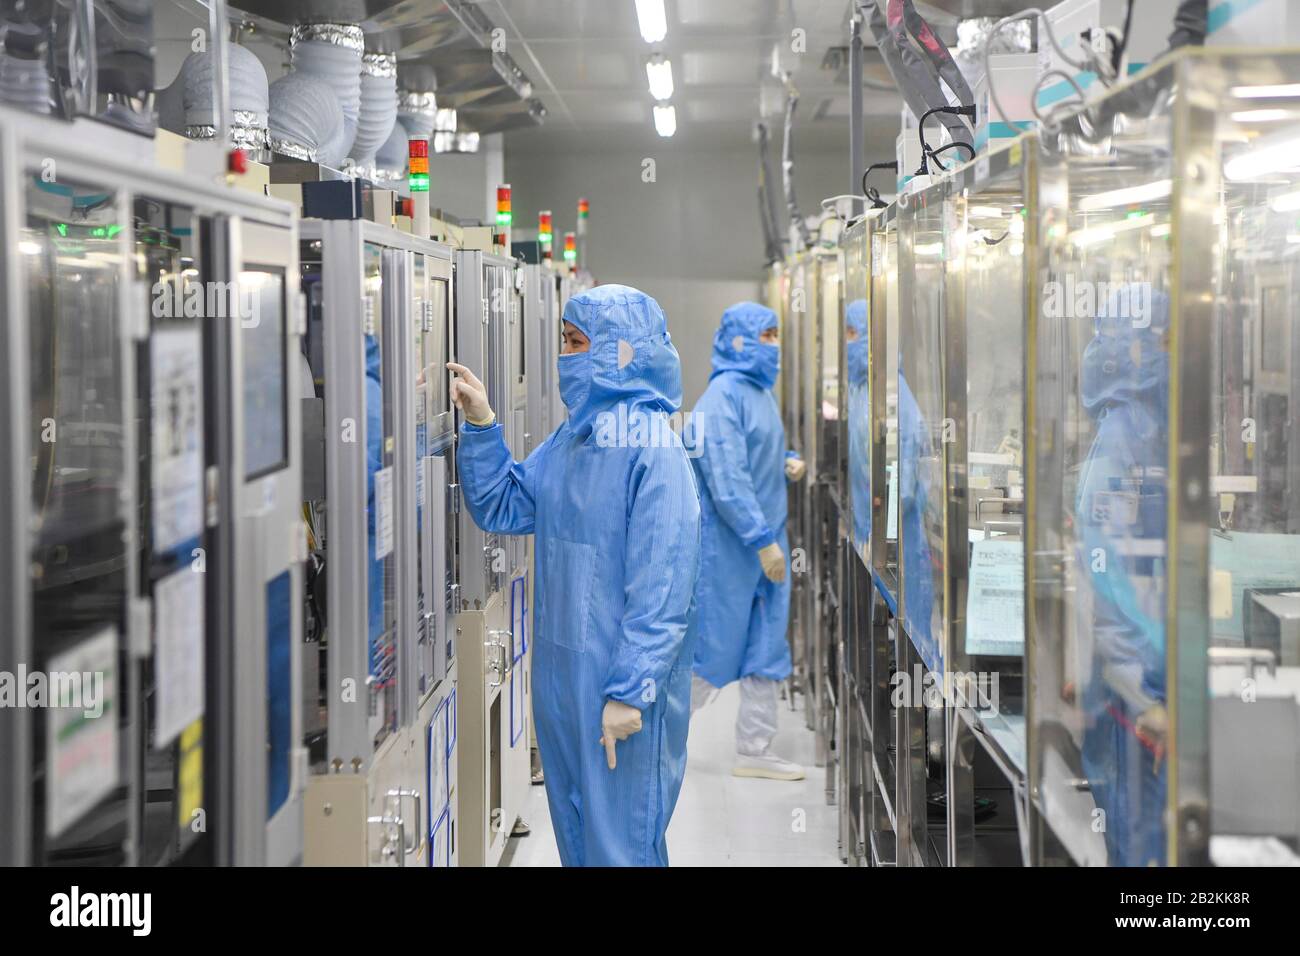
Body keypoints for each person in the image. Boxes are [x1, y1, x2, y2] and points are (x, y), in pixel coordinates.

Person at [448, 284, 701, 867]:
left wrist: (631, 689)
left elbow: (661, 590)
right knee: (579, 843)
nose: (563, 356)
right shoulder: (572, 439)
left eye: (575, 342)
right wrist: (483, 423)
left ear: (617, 352)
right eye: (562, 341)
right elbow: (505, 505)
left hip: (616, 690)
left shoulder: (653, 450)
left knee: (621, 849)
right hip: (562, 689)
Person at [687, 301, 807, 780]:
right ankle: (648, 733)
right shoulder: (722, 398)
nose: (775, 346)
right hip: (733, 549)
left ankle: (755, 750)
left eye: (777, 335)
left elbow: (757, 452)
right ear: (739, 340)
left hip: (766, 542)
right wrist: (760, 539)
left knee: (765, 647)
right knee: (712, 651)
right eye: (767, 336)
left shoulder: (759, 392)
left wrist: (787, 460)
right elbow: (727, 478)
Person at [1074, 293, 1170, 867]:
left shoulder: (1144, 428)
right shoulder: (1122, 440)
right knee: (1141, 853)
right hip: (1134, 700)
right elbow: (1108, 584)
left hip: (1143, 684)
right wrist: (1142, 697)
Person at [845, 300, 872, 556]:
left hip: (882, 535)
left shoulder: (883, 393)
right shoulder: (858, 390)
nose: (848, 342)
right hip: (864, 527)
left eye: (853, 333)